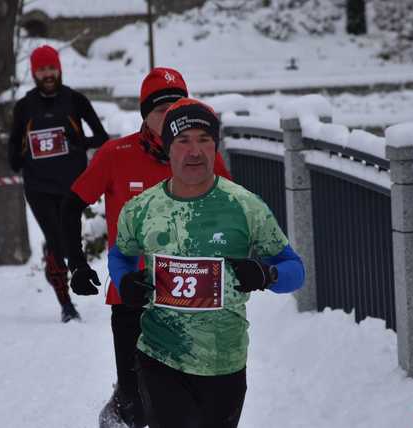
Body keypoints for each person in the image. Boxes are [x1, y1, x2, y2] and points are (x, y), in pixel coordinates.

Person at [108, 98, 305, 428]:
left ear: (216, 147)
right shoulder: (141, 208)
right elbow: (120, 255)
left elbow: (295, 271)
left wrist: (266, 273)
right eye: (183, 141)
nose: (194, 151)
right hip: (160, 355)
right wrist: (124, 280)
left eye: (204, 140)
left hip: (224, 361)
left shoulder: (245, 206)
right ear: (168, 148)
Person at [61, 68, 231, 428]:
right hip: (133, 295)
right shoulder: (115, 154)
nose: (170, 117)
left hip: (191, 294)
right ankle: (123, 406)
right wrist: (76, 264)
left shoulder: (205, 157)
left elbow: (233, 213)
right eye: (160, 110)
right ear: (144, 115)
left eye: (178, 108)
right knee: (136, 403)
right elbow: (70, 205)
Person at [7, 45, 109, 323]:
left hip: (71, 187)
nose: (48, 74)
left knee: (67, 245)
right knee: (56, 242)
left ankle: (60, 270)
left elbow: (101, 137)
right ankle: (66, 304)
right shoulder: (25, 106)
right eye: (42, 69)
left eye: (51, 68)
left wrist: (80, 143)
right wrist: (19, 157)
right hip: (38, 187)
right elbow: (13, 147)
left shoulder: (75, 100)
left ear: (59, 69)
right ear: (34, 72)